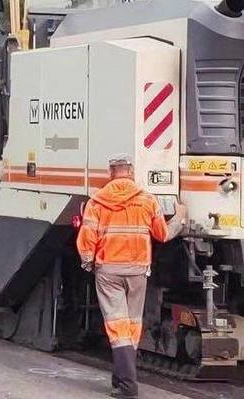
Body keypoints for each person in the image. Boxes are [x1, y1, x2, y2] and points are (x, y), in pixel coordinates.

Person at [77, 154, 186, 398]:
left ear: (110, 172)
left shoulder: (97, 201)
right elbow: (162, 235)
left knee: (117, 326)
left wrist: (87, 262)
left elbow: (87, 239)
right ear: (132, 172)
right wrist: (180, 217)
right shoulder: (147, 200)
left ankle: (127, 385)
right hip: (137, 272)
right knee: (132, 326)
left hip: (109, 272)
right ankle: (120, 377)